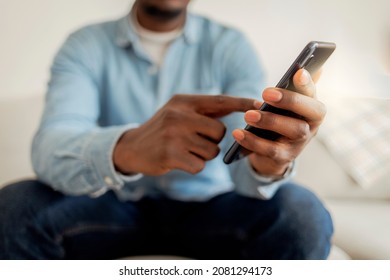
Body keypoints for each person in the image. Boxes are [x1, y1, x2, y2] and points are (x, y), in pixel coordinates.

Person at [0, 0, 332, 259]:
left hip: (212, 210)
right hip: (112, 206)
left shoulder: (230, 45)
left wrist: (267, 163)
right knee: (15, 206)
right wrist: (125, 150)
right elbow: (50, 147)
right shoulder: (85, 44)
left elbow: (242, 166)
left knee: (301, 214)